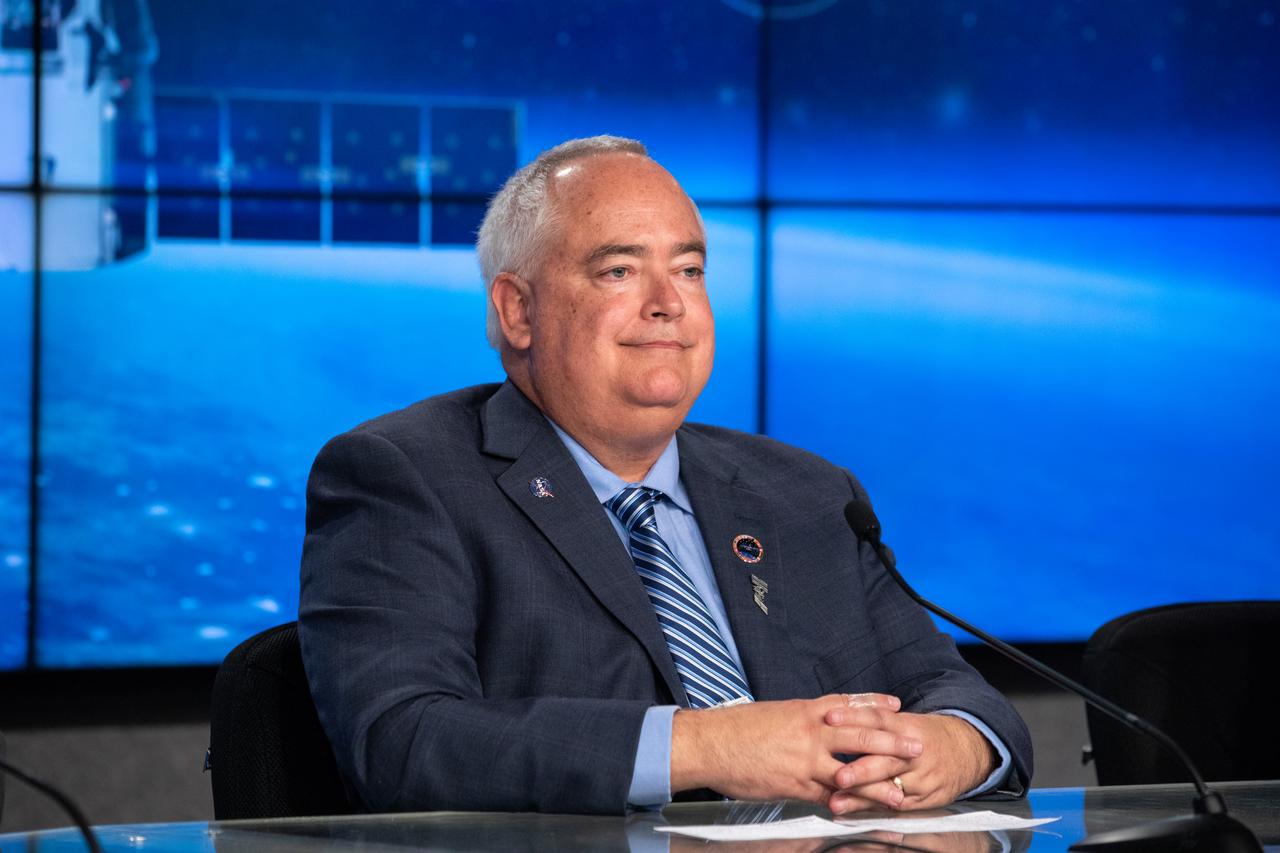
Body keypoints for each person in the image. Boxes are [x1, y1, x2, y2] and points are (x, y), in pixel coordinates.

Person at [299, 135, 1032, 816]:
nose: (669, 304)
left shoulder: (808, 493)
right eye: (619, 270)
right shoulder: (405, 475)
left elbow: (958, 693)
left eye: (688, 269)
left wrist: (950, 747)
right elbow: (400, 740)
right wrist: (711, 744)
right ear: (518, 310)